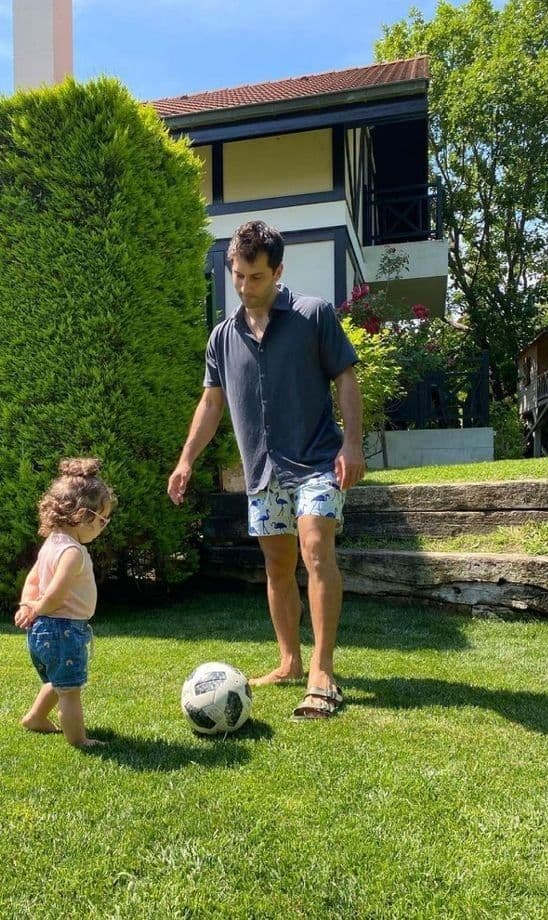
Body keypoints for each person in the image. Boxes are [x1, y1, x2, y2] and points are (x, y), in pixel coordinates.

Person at [168, 220, 365, 720]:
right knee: (277, 567)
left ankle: (322, 670)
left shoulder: (312, 315)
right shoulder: (222, 337)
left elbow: (345, 377)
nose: (243, 286)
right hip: (262, 470)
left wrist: (353, 443)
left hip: (317, 459)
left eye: (255, 277)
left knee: (316, 549)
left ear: (278, 271)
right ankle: (289, 662)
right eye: (237, 275)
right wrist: (186, 459)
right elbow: (211, 403)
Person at [14, 457, 116, 748]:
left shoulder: (51, 543)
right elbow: (57, 593)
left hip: (42, 629)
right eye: (102, 520)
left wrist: (27, 605)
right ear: (84, 516)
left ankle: (35, 717)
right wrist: (37, 607)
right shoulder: (72, 552)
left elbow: (33, 579)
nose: (102, 527)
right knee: (70, 690)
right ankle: (79, 740)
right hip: (64, 629)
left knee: (58, 680)